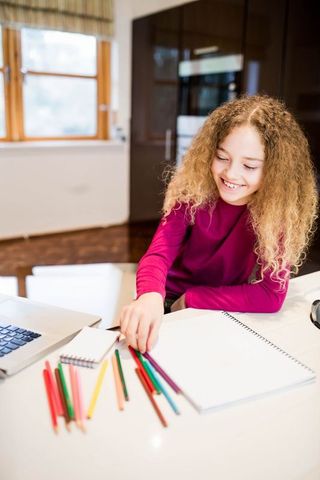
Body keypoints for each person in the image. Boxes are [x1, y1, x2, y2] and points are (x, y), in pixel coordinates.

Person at [120, 94, 318, 353]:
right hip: (166, 299)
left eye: (249, 165)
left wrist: (192, 299)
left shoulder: (278, 211)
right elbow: (158, 254)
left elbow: (271, 295)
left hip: (223, 302)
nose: (231, 174)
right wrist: (150, 295)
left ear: (275, 170)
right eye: (222, 157)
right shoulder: (192, 192)